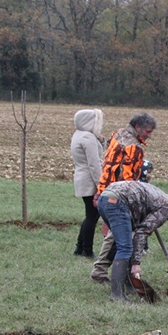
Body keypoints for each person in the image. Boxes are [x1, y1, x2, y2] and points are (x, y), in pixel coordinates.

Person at [96, 181, 168, 301]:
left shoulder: (161, 198)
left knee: (123, 242)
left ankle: (129, 283)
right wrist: (136, 264)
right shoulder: (166, 206)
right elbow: (142, 233)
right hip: (118, 203)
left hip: (104, 199)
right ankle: (117, 295)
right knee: (125, 247)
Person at [90, 113, 156, 283]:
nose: (149, 135)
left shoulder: (118, 135)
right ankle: (109, 273)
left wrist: (100, 191)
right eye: (148, 131)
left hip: (106, 190)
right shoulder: (134, 147)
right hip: (120, 196)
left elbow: (108, 166)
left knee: (113, 234)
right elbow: (128, 178)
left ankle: (100, 270)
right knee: (121, 236)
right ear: (137, 127)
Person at [70, 109, 105, 258]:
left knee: (89, 216)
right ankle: (87, 250)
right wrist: (101, 185)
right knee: (92, 217)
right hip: (90, 181)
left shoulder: (78, 135)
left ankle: (79, 248)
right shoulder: (88, 138)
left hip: (81, 179)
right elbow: (94, 164)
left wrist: (102, 141)